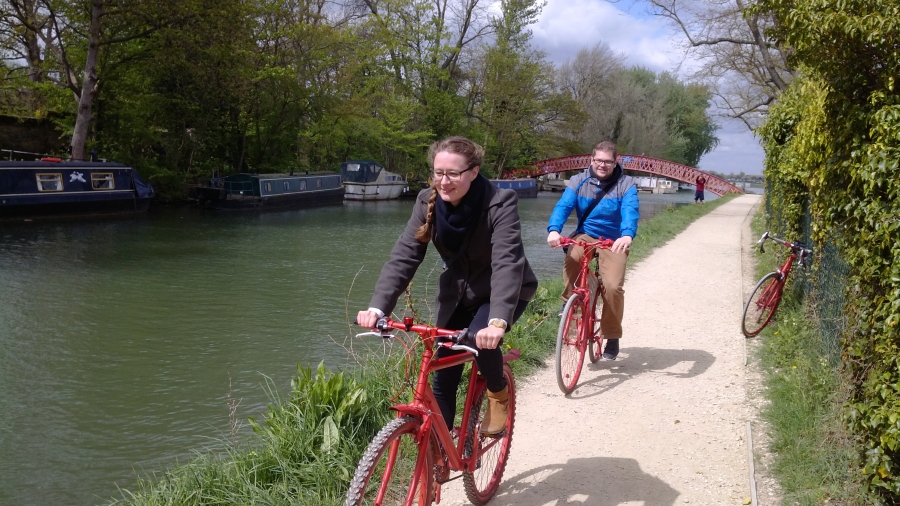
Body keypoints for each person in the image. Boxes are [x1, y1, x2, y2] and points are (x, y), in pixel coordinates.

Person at [356, 136, 538, 436]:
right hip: (458, 295)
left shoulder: (499, 202)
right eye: (438, 172)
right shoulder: (426, 201)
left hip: (502, 292)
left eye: (453, 173)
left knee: (481, 340)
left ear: (473, 172)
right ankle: (440, 451)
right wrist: (378, 307)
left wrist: (498, 320)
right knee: (444, 369)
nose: (444, 181)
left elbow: (507, 261)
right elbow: (405, 255)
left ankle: (497, 392)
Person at [546, 141, 639, 361]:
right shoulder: (579, 181)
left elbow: (630, 210)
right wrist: (554, 230)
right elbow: (563, 206)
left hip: (614, 239)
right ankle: (569, 303)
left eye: (608, 161)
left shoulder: (627, 184)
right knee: (573, 258)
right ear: (591, 159)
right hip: (586, 234)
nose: (603, 165)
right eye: (599, 160)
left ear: (616, 161)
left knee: (613, 286)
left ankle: (612, 335)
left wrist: (627, 234)